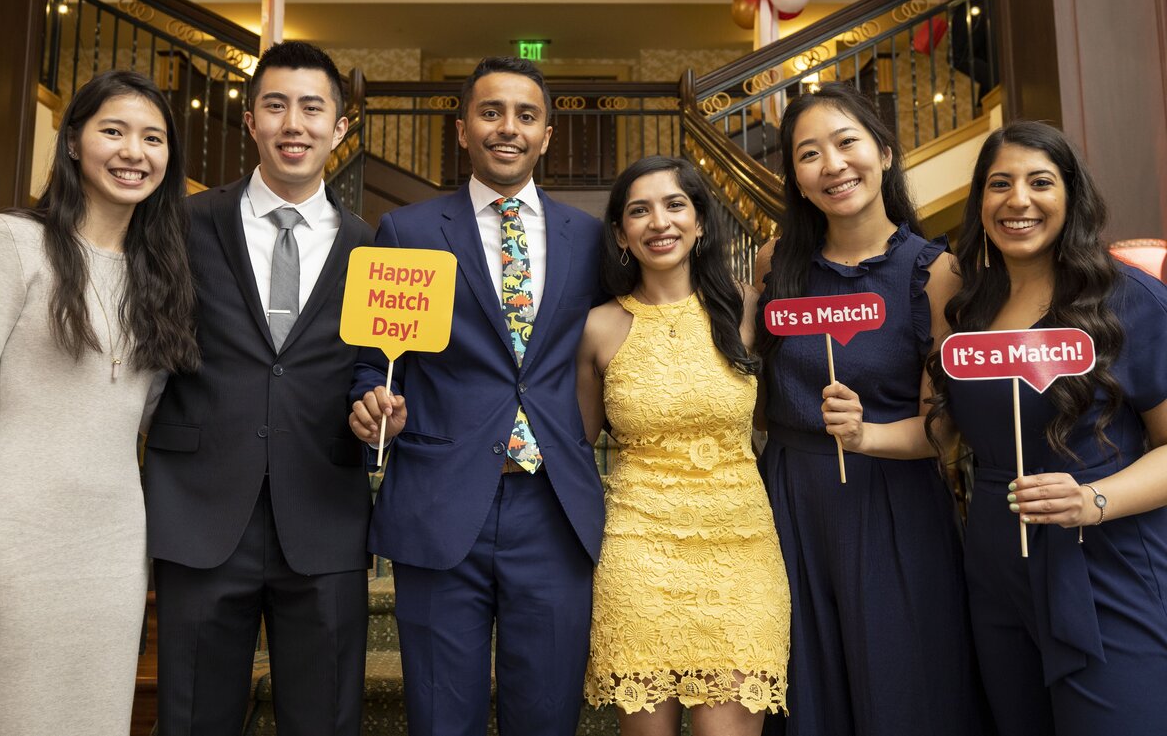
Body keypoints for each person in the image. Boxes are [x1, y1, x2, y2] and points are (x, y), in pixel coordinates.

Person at [348, 56, 605, 736]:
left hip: (553, 509)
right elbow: (373, 364)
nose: (508, 128)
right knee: (440, 718)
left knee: (547, 715)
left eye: (526, 115)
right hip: (440, 503)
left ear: (547, 134)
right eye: (491, 112)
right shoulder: (407, 231)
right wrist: (374, 400)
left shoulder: (590, 240)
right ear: (463, 128)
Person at [143, 41, 375, 736]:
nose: (293, 123)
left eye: (313, 108)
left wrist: (379, 405)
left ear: (340, 128)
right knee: (191, 718)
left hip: (324, 512)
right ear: (252, 122)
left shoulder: (374, 246)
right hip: (200, 511)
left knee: (325, 720)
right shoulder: (181, 225)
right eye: (276, 105)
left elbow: (375, 363)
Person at [755, 82, 991, 736]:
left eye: (847, 142)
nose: (832, 165)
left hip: (893, 499)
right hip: (791, 500)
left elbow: (947, 426)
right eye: (809, 153)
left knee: (902, 678)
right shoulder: (777, 266)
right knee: (808, 685)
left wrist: (868, 436)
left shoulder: (935, 272)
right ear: (797, 180)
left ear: (884, 154)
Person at [0, 70, 199, 735]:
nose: (135, 151)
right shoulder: (11, 241)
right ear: (73, 142)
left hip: (114, 547)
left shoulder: (163, 274)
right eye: (114, 131)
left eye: (153, 138)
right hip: (12, 539)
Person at [927, 121, 1167, 736]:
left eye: (1040, 182)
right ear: (980, 200)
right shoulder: (967, 306)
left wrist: (1092, 500)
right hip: (996, 562)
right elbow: (946, 431)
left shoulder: (1129, 300)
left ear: (1071, 196)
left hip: (1103, 560)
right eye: (999, 184)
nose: (1019, 200)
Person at [578, 156, 789, 735]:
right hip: (637, 549)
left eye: (675, 205)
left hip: (742, 549)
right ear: (621, 234)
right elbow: (576, 442)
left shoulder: (747, 308)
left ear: (700, 222)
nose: (659, 221)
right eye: (639, 211)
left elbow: (776, 413)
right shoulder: (599, 326)